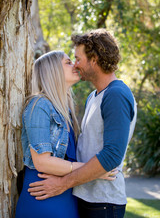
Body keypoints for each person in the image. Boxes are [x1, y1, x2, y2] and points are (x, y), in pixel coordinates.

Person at [28, 29, 137, 218]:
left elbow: (112, 156)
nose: (76, 64)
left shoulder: (116, 94)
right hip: (86, 196)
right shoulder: (93, 97)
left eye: (78, 59)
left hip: (104, 202)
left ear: (94, 59)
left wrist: (62, 183)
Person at [15, 50, 116, 218]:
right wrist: (95, 169)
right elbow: (42, 162)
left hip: (65, 194)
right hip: (42, 196)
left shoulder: (65, 111)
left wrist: (93, 170)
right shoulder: (38, 105)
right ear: (53, 71)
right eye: (68, 62)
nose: (75, 65)